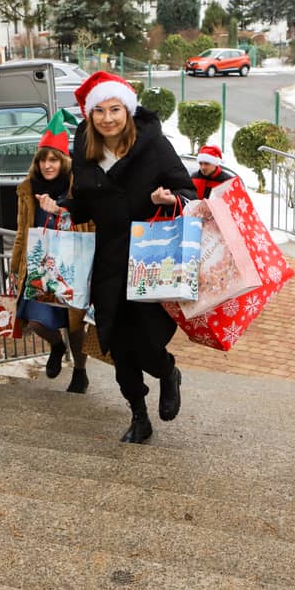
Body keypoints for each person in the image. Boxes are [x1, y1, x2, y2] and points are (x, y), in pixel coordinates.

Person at [39, 71, 196, 443]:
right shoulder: (85, 149)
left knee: (146, 341)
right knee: (118, 346)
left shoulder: (153, 145)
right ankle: (139, 416)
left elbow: (187, 191)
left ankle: (167, 371)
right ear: (90, 114)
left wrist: (168, 199)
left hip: (149, 260)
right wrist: (62, 207)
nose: (107, 118)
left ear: (127, 110)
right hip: (109, 262)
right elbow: (84, 203)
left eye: (114, 109)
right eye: (99, 111)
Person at [10, 110, 90, 393]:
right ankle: (56, 346)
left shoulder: (78, 186)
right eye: (43, 159)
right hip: (40, 266)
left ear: (63, 160)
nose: (47, 165)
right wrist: (14, 266)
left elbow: (89, 224)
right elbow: (22, 231)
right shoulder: (27, 190)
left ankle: (80, 372)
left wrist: (60, 212)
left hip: (73, 266)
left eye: (53, 159)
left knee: (75, 327)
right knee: (35, 321)